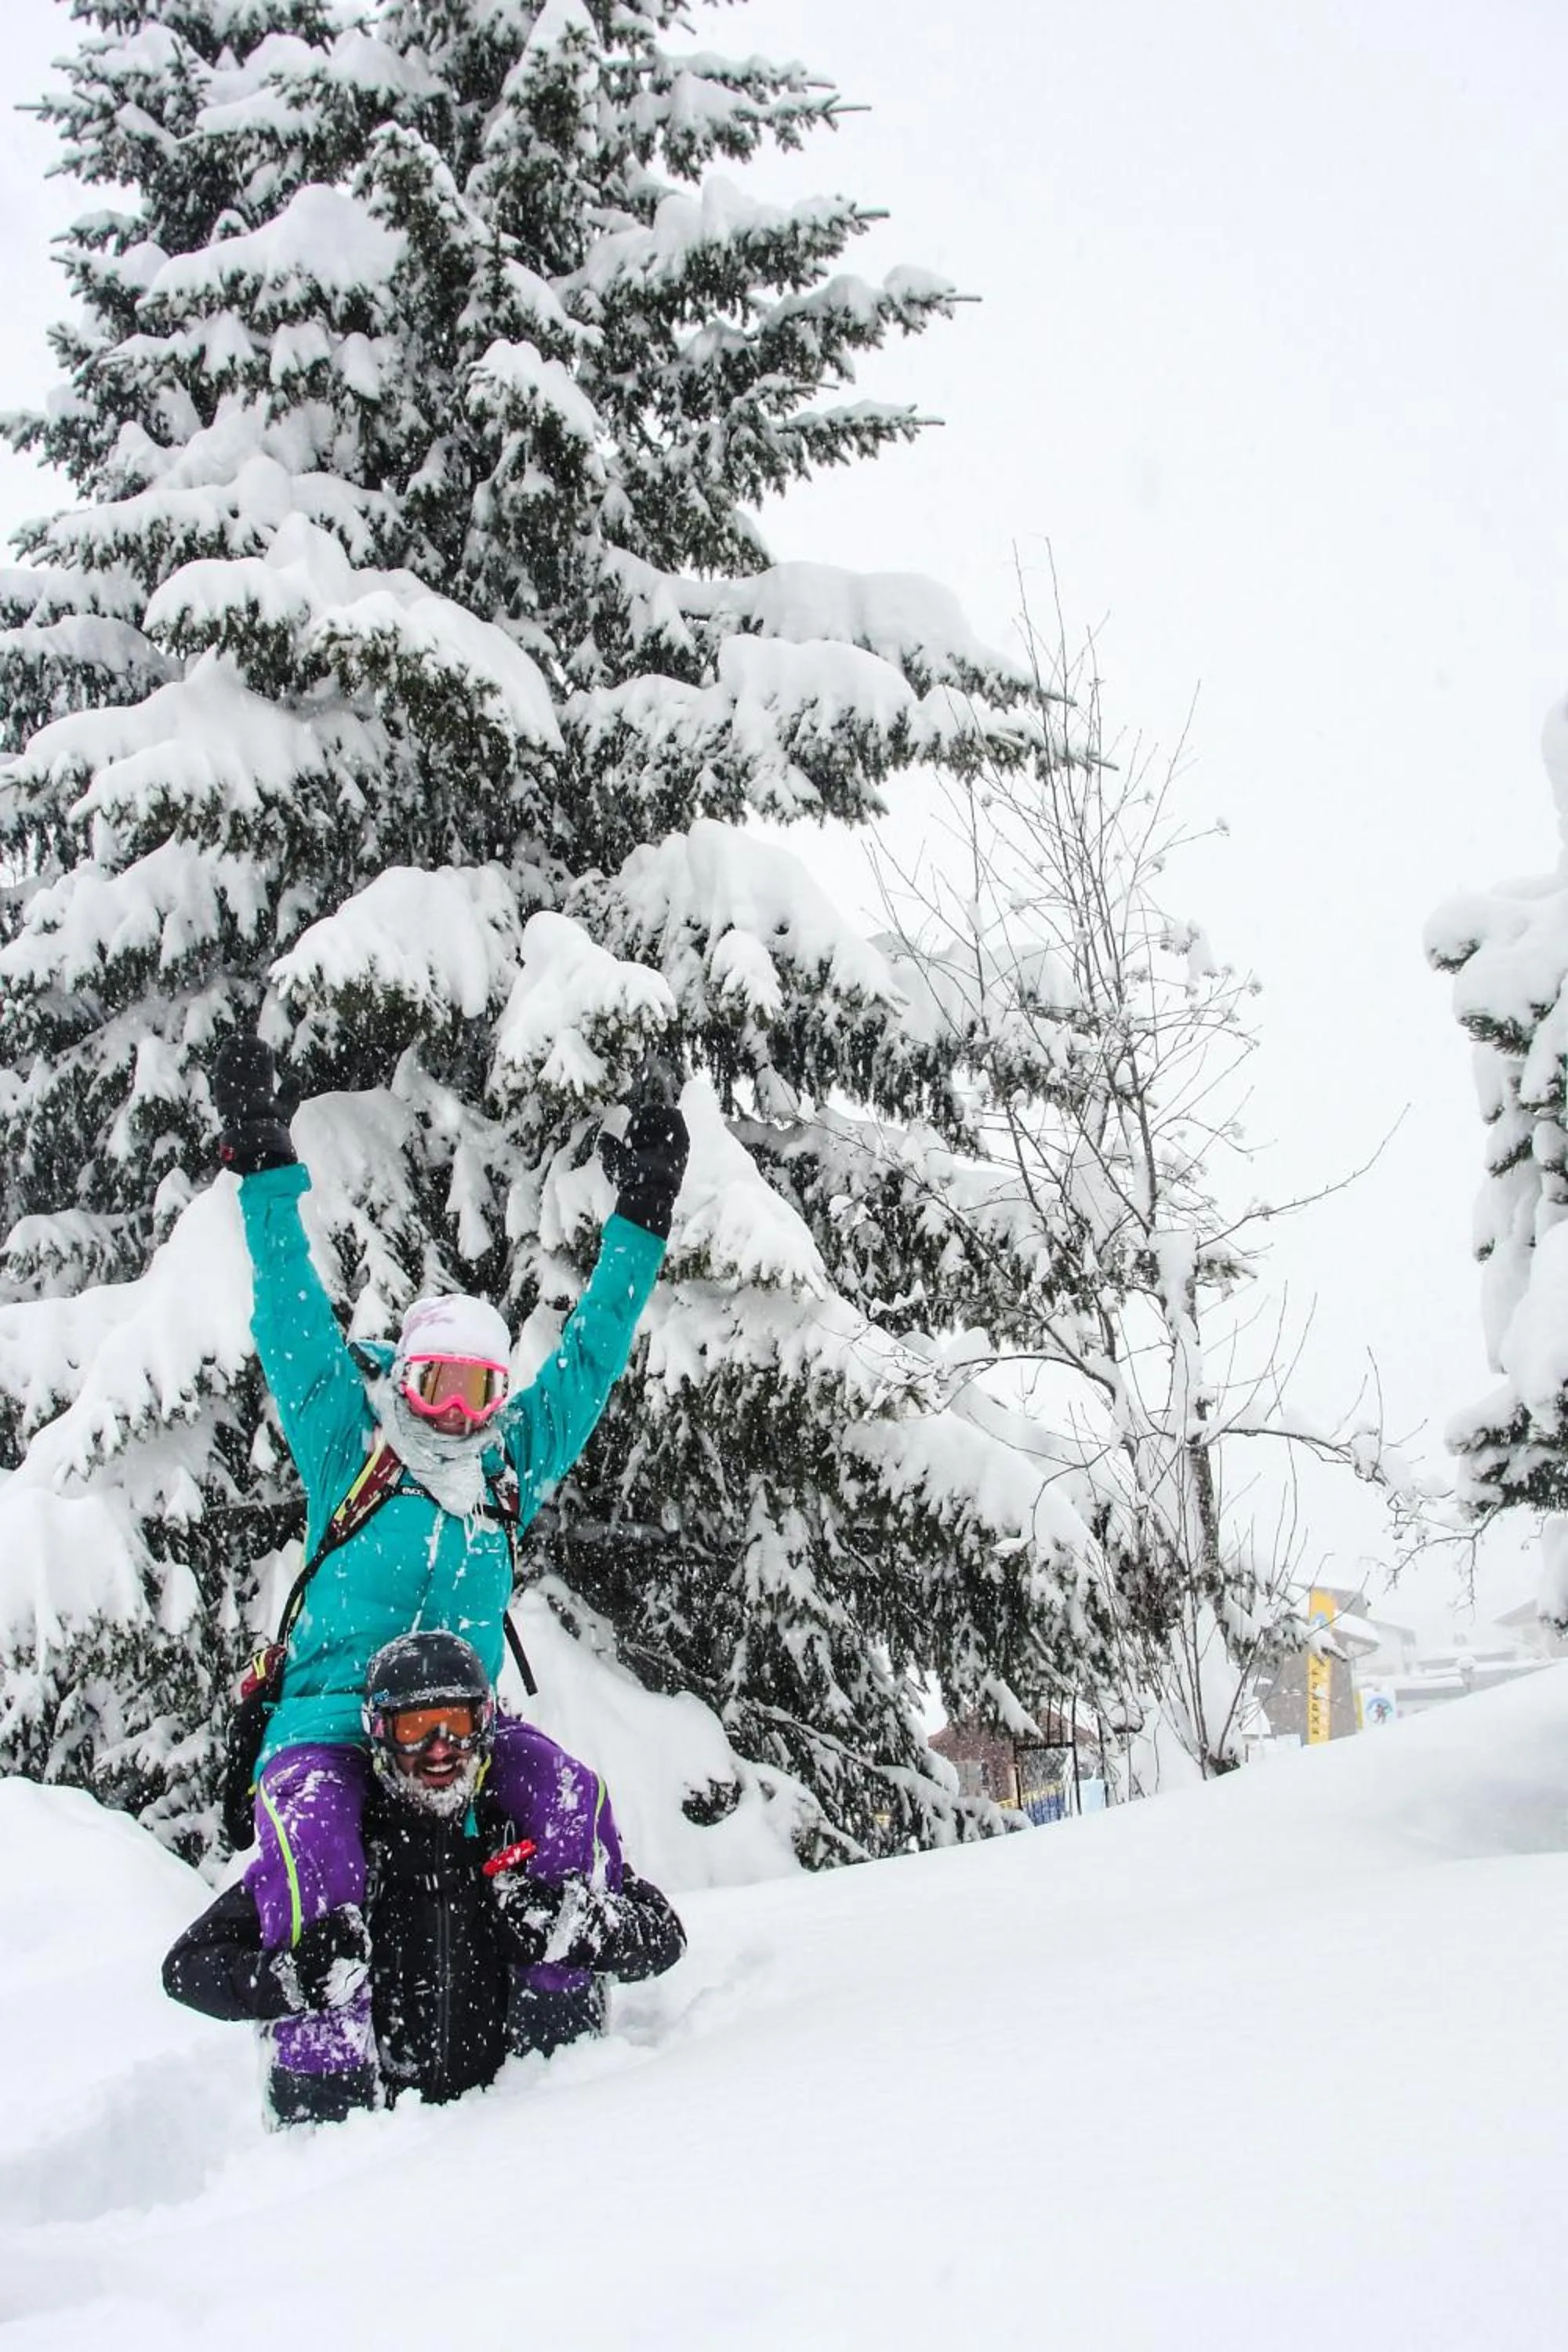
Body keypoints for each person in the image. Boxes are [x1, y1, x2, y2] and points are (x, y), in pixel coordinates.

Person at [210, 1035, 688, 2122]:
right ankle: (323, 2069)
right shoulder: (351, 1446)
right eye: (438, 1387)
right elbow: (290, 1310)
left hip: (457, 1730)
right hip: (331, 1719)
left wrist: (641, 1219)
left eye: (482, 1392)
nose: (460, 1416)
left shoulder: (509, 1473)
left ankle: (559, 2034)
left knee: (564, 1796)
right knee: (314, 1832)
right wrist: (262, 1163)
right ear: (404, 1380)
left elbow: (592, 1355)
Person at [164, 1633, 686, 2114]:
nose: (439, 1749)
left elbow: (664, 1934)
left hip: (523, 2120)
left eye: (456, 1725)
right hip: (387, 2147)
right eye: (414, 1728)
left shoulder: (511, 1835)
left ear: (483, 1724)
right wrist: (291, 1977)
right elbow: (187, 1968)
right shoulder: (349, 1849)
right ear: (381, 1733)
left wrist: (572, 1926)